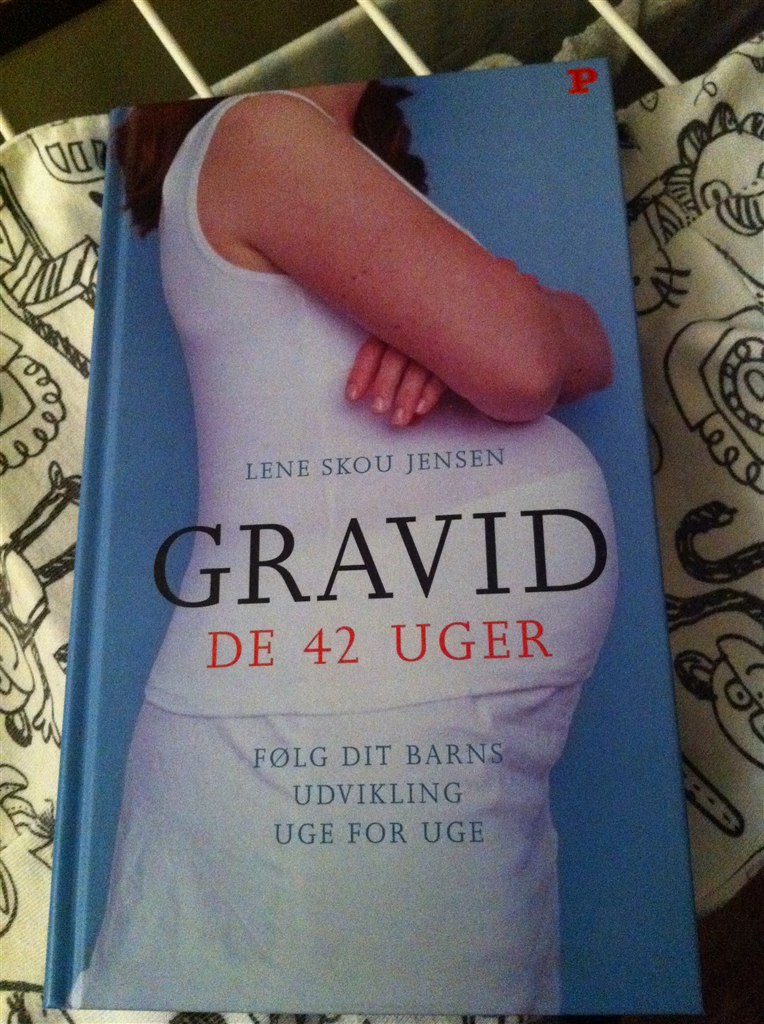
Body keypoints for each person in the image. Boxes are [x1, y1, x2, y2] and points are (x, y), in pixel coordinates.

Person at [75, 81, 618, 1013]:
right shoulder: (262, 128)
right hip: (318, 745)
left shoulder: (334, 163)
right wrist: (497, 330)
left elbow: (589, 345)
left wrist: (471, 328)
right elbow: (530, 362)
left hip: (416, 737)